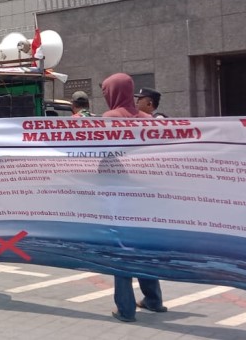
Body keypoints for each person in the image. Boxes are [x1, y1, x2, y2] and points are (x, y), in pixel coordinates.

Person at [101, 73, 168, 323]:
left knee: (122, 251)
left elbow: (104, 157)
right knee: (143, 248)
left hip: (120, 195)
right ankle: (153, 300)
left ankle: (126, 308)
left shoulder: (109, 118)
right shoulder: (147, 119)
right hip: (146, 195)